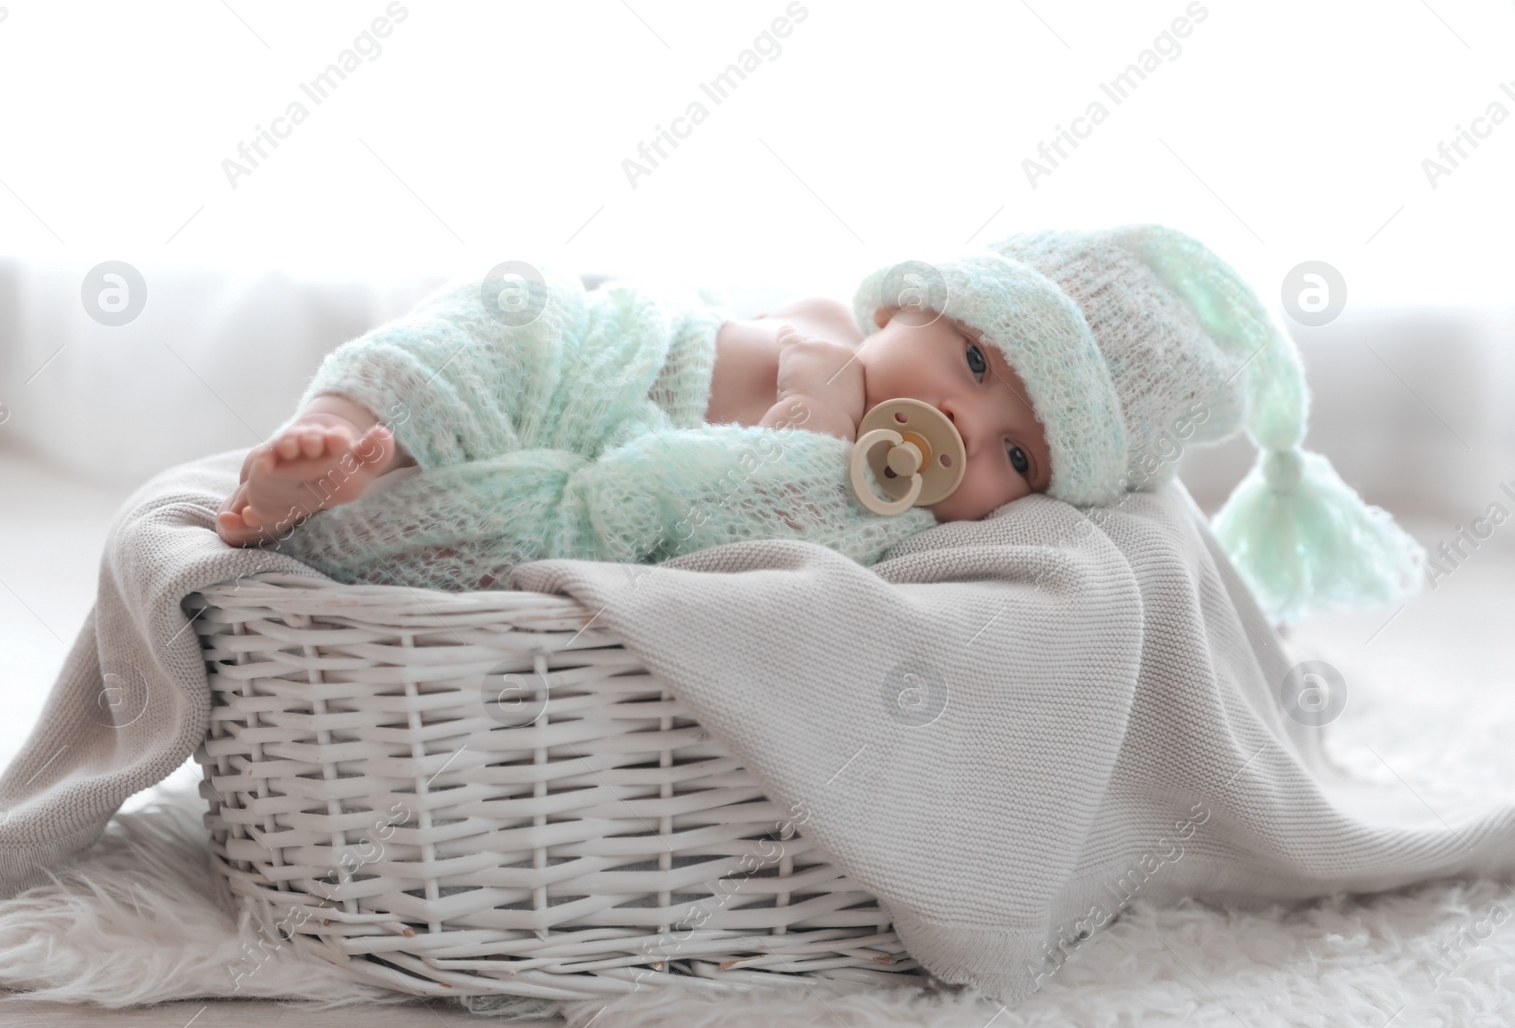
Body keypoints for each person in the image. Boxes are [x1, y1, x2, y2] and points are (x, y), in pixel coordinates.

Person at [215, 225, 1425, 625]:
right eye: (974, 358)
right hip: (577, 374)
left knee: (454, 540)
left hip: (564, 507)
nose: (965, 416)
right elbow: (774, 345)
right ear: (904, 305)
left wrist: (819, 480)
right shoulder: (820, 334)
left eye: (1018, 454)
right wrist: (813, 400)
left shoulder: (888, 525)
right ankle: (334, 437)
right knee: (493, 318)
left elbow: (766, 578)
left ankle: (342, 510)